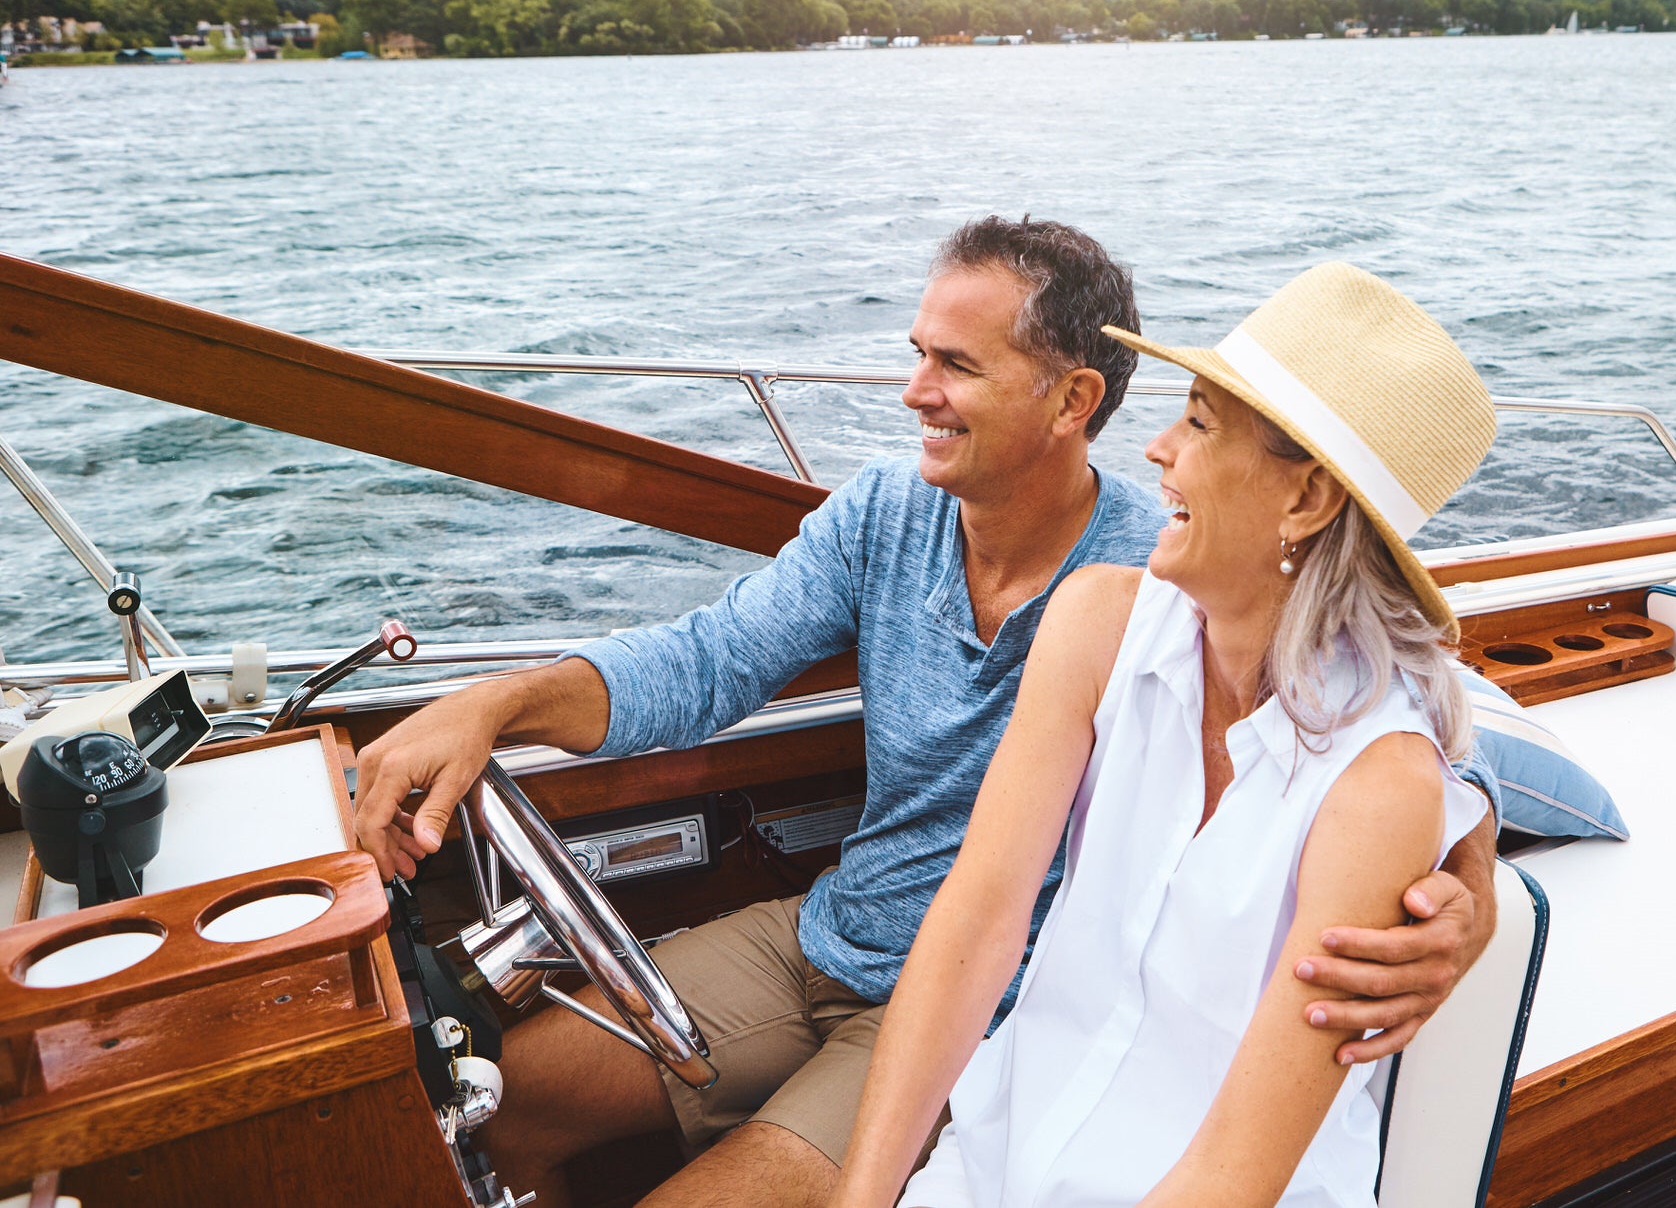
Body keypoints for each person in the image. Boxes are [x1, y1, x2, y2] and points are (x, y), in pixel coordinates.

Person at [351, 220, 1501, 1208]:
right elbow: (708, 661)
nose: (912, 392)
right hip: (826, 933)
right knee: (485, 1103)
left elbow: (1418, 716)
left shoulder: (1163, 574)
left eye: (953, 363)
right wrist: (495, 704)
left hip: (980, 1022)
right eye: (916, 355)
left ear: (1071, 400)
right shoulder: (919, 532)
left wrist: (1467, 865)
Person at [832, 262, 1496, 1208]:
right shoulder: (1098, 624)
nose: (1155, 448)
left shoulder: (1380, 785)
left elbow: (1233, 1176)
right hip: (988, 1170)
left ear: (1305, 502)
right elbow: (975, 924)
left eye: (1198, 422)